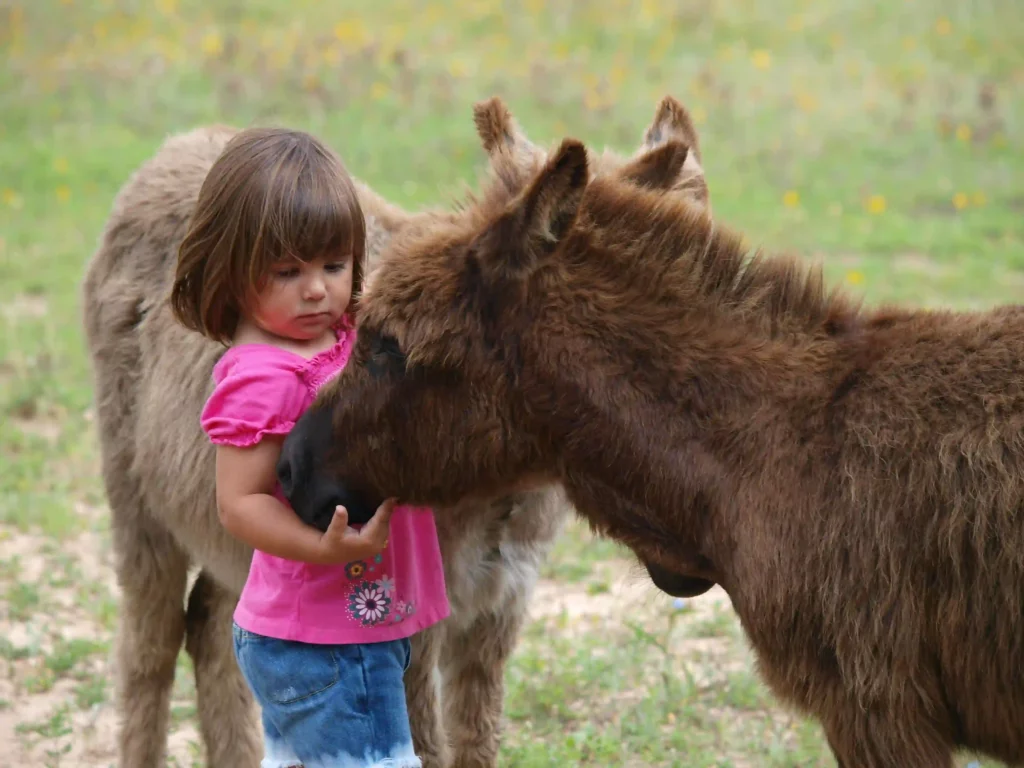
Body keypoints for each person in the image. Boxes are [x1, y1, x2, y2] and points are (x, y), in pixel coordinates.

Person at [170, 126, 449, 768]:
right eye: (287, 271)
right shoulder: (263, 378)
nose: (318, 289)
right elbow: (239, 503)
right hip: (326, 639)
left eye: (333, 264)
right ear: (233, 273)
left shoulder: (338, 335)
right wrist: (320, 548)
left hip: (338, 629)